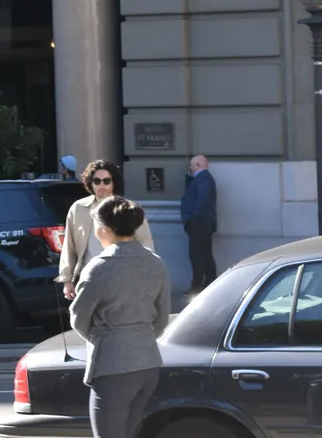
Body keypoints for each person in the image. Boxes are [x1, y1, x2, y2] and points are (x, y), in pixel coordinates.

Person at [69, 196, 171, 438]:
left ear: (104, 229)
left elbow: (78, 317)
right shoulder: (155, 262)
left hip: (113, 364)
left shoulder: (99, 266)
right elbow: (162, 318)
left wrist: (103, 337)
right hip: (148, 361)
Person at [58, 159, 156, 300]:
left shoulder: (129, 209)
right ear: (91, 183)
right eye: (97, 181)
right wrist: (67, 281)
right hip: (88, 279)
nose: (102, 186)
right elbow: (69, 247)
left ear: (114, 182)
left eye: (106, 181)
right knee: (84, 320)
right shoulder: (78, 209)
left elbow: (146, 245)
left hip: (122, 280)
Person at [181, 154, 218, 293]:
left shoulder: (204, 179)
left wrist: (193, 218)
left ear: (197, 165)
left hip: (200, 224)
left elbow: (201, 201)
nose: (189, 168)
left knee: (199, 256)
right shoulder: (200, 179)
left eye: (191, 165)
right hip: (201, 223)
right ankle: (208, 283)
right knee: (204, 255)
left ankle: (198, 286)